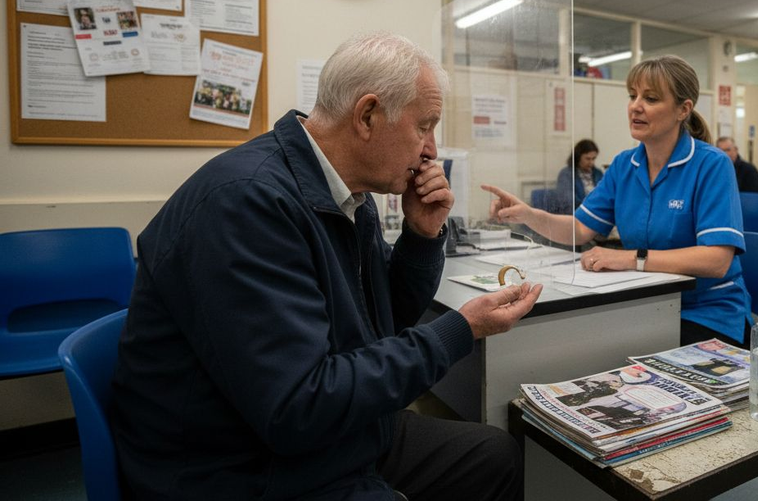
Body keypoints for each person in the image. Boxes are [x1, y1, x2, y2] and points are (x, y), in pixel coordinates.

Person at [112, 32, 542, 500]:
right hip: (238, 464)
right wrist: (461, 328)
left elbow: (384, 326)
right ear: (367, 115)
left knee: (494, 455)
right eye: (425, 126)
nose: (431, 151)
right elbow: (297, 408)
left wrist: (420, 238)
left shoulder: (347, 195)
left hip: (321, 439)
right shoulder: (247, 203)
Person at [482, 55, 750, 347]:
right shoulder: (624, 165)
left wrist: (630, 258)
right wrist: (528, 214)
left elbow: (716, 260)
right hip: (644, 305)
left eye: (651, 98)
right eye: (633, 96)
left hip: (706, 312)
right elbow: (580, 229)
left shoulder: (711, 165)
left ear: (683, 109)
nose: (636, 106)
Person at [554, 139, 603, 212]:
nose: (591, 162)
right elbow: (567, 202)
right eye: (587, 159)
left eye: (593, 159)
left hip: (598, 213)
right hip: (578, 214)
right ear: (578, 157)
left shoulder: (598, 173)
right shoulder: (566, 174)